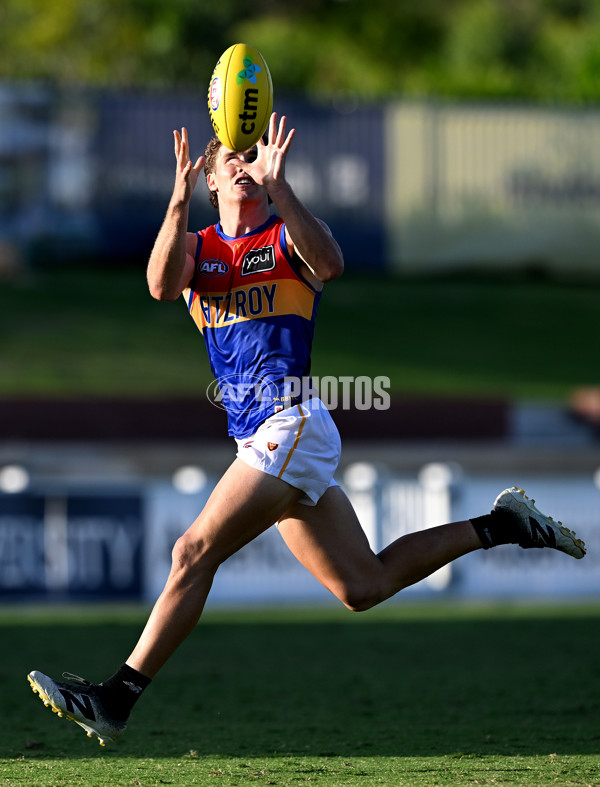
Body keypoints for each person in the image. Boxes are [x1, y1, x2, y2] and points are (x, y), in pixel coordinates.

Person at [27, 113, 586, 746]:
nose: (243, 165)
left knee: (191, 552)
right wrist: (176, 201)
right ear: (210, 177)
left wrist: (283, 187)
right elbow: (159, 285)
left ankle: (116, 698)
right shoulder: (197, 248)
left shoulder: (285, 234)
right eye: (230, 159)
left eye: (252, 158)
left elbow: (332, 262)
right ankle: (500, 525)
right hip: (267, 438)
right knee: (361, 585)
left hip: (289, 422)